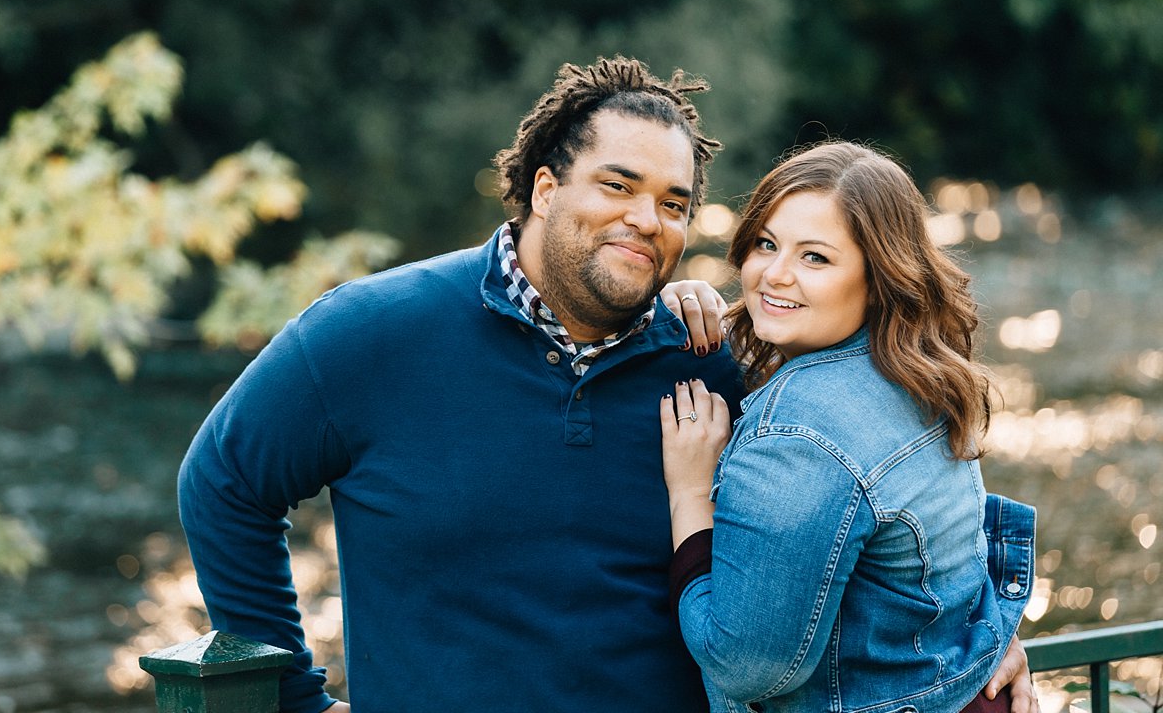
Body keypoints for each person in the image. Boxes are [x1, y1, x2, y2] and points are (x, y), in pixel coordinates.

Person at [178, 58, 1036, 713]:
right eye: (617, 186)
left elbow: (882, 496)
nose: (644, 219)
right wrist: (294, 698)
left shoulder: (714, 355)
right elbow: (224, 484)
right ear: (545, 188)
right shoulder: (371, 331)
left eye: (673, 202)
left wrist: (977, 638)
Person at [661, 141, 1037, 712]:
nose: (774, 275)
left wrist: (690, 491)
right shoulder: (919, 372)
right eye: (766, 243)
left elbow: (745, 664)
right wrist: (991, 641)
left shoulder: (800, 429)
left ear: (879, 276)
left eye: (815, 257)